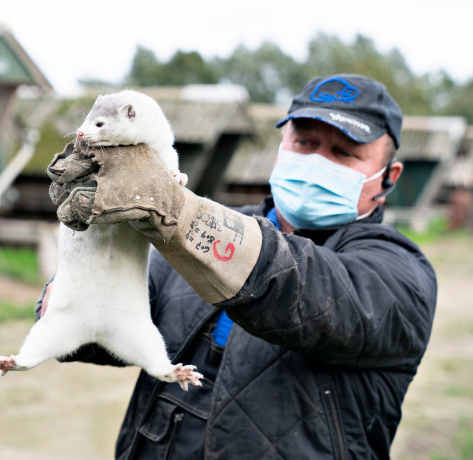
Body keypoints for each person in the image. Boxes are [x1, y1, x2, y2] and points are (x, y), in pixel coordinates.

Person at [40, 74, 437, 459]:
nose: (317, 161)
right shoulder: (193, 233)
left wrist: (179, 213)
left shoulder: (400, 272)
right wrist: (69, 297)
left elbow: (307, 288)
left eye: (344, 152)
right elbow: (112, 326)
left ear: (390, 178)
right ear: (281, 147)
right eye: (305, 142)